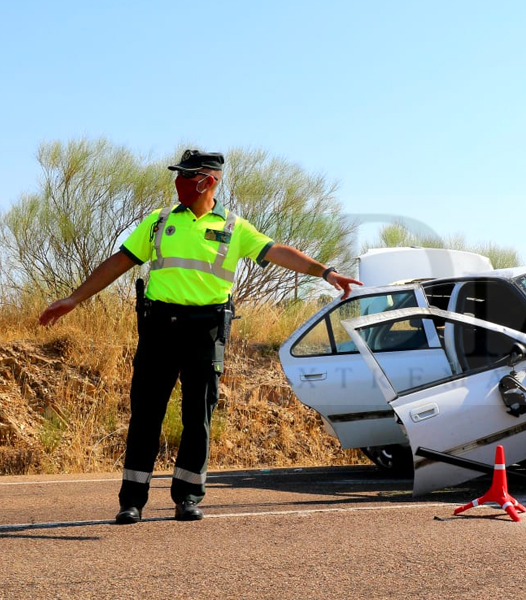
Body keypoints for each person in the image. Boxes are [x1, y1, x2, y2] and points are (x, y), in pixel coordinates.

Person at [38, 149, 361, 524]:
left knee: (198, 416)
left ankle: (187, 497)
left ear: (208, 181)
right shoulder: (159, 222)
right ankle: (132, 501)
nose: (178, 183)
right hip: (159, 326)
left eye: (187, 176)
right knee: (146, 415)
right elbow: (118, 261)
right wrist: (74, 298)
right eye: (178, 175)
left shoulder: (233, 227)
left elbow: (279, 253)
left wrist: (327, 273)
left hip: (206, 329)